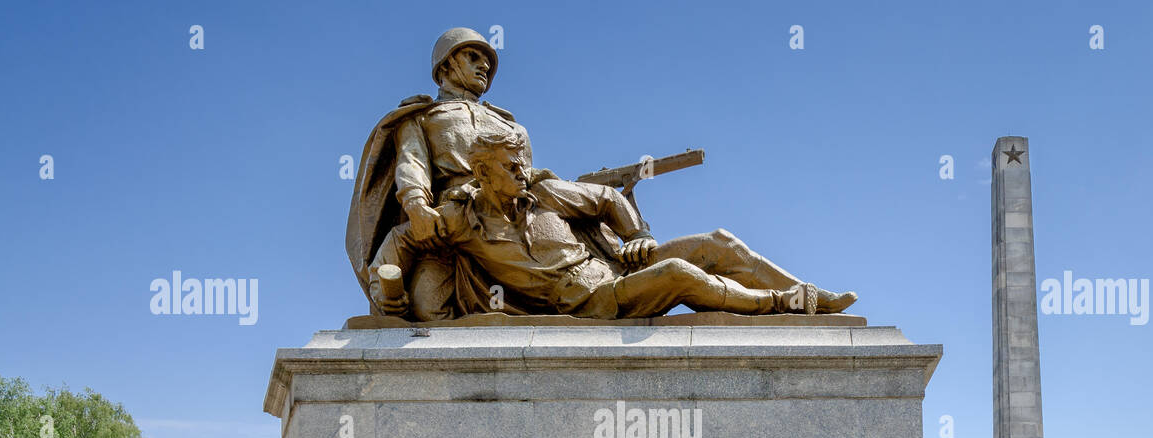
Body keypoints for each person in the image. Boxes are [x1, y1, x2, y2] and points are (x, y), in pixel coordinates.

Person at [384, 132, 857, 318]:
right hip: (586, 301)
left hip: (619, 269)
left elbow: (609, 198)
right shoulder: (460, 222)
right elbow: (402, 238)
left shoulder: (545, 192)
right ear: (482, 172)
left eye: (524, 163)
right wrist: (384, 282)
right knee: (680, 276)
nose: (522, 173)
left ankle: (811, 295)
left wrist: (638, 236)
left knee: (719, 242)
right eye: (511, 167)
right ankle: (782, 304)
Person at [346, 27, 540, 320]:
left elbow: (526, 180)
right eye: (473, 57)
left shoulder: (511, 127)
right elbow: (412, 163)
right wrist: (416, 206)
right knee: (426, 308)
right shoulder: (420, 116)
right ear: (446, 65)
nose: (484, 66)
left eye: (487, 61)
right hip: (445, 229)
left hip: (506, 223)